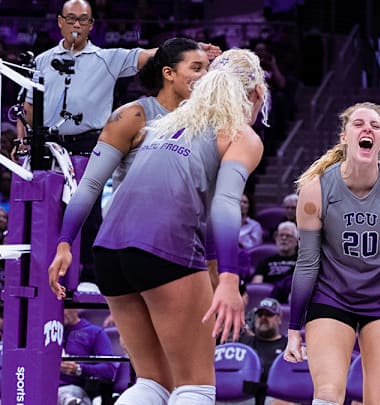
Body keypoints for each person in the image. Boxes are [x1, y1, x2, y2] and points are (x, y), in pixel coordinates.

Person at [48, 48, 267, 404]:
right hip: (164, 247)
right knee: (196, 384)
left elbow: (91, 186)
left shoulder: (160, 125)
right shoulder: (240, 134)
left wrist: (64, 243)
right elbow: (225, 205)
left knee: (153, 382)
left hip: (108, 251)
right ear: (256, 93)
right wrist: (229, 278)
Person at [17, 0, 220, 284]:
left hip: (89, 144)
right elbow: (27, 108)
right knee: (40, 211)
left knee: (89, 206)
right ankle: (34, 274)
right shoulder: (41, 61)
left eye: (83, 20)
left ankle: (87, 276)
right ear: (60, 21)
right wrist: (22, 141)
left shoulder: (108, 58)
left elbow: (156, 55)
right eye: (71, 18)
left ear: (91, 26)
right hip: (47, 146)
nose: (76, 25)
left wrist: (194, 49)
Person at [284, 102, 380, 405]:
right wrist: (294, 328)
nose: (367, 129)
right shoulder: (315, 189)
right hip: (332, 296)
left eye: (375, 126)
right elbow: (307, 264)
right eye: (358, 124)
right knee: (328, 394)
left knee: (378, 400)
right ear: (344, 136)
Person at [48, 37, 211, 290]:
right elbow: (90, 184)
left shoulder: (209, 122)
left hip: (185, 242)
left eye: (208, 69)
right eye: (197, 68)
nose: (206, 77)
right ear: (168, 73)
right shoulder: (132, 116)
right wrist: (64, 243)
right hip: (134, 245)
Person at [58, 308, 117, 405]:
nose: (58, 312)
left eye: (63, 308)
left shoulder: (94, 332)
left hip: (74, 389)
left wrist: (78, 369)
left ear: (75, 308)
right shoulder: (43, 331)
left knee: (66, 394)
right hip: (43, 388)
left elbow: (109, 370)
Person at [238, 298, 290, 405]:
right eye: (260, 314)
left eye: (268, 314)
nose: (263, 318)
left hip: (276, 397)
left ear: (279, 319)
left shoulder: (289, 346)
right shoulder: (243, 343)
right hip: (245, 397)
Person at [251, 221, 298, 303]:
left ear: (296, 240)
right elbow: (257, 285)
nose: (284, 238)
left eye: (288, 236)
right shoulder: (265, 262)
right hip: (268, 299)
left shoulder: (301, 262)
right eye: (281, 235)